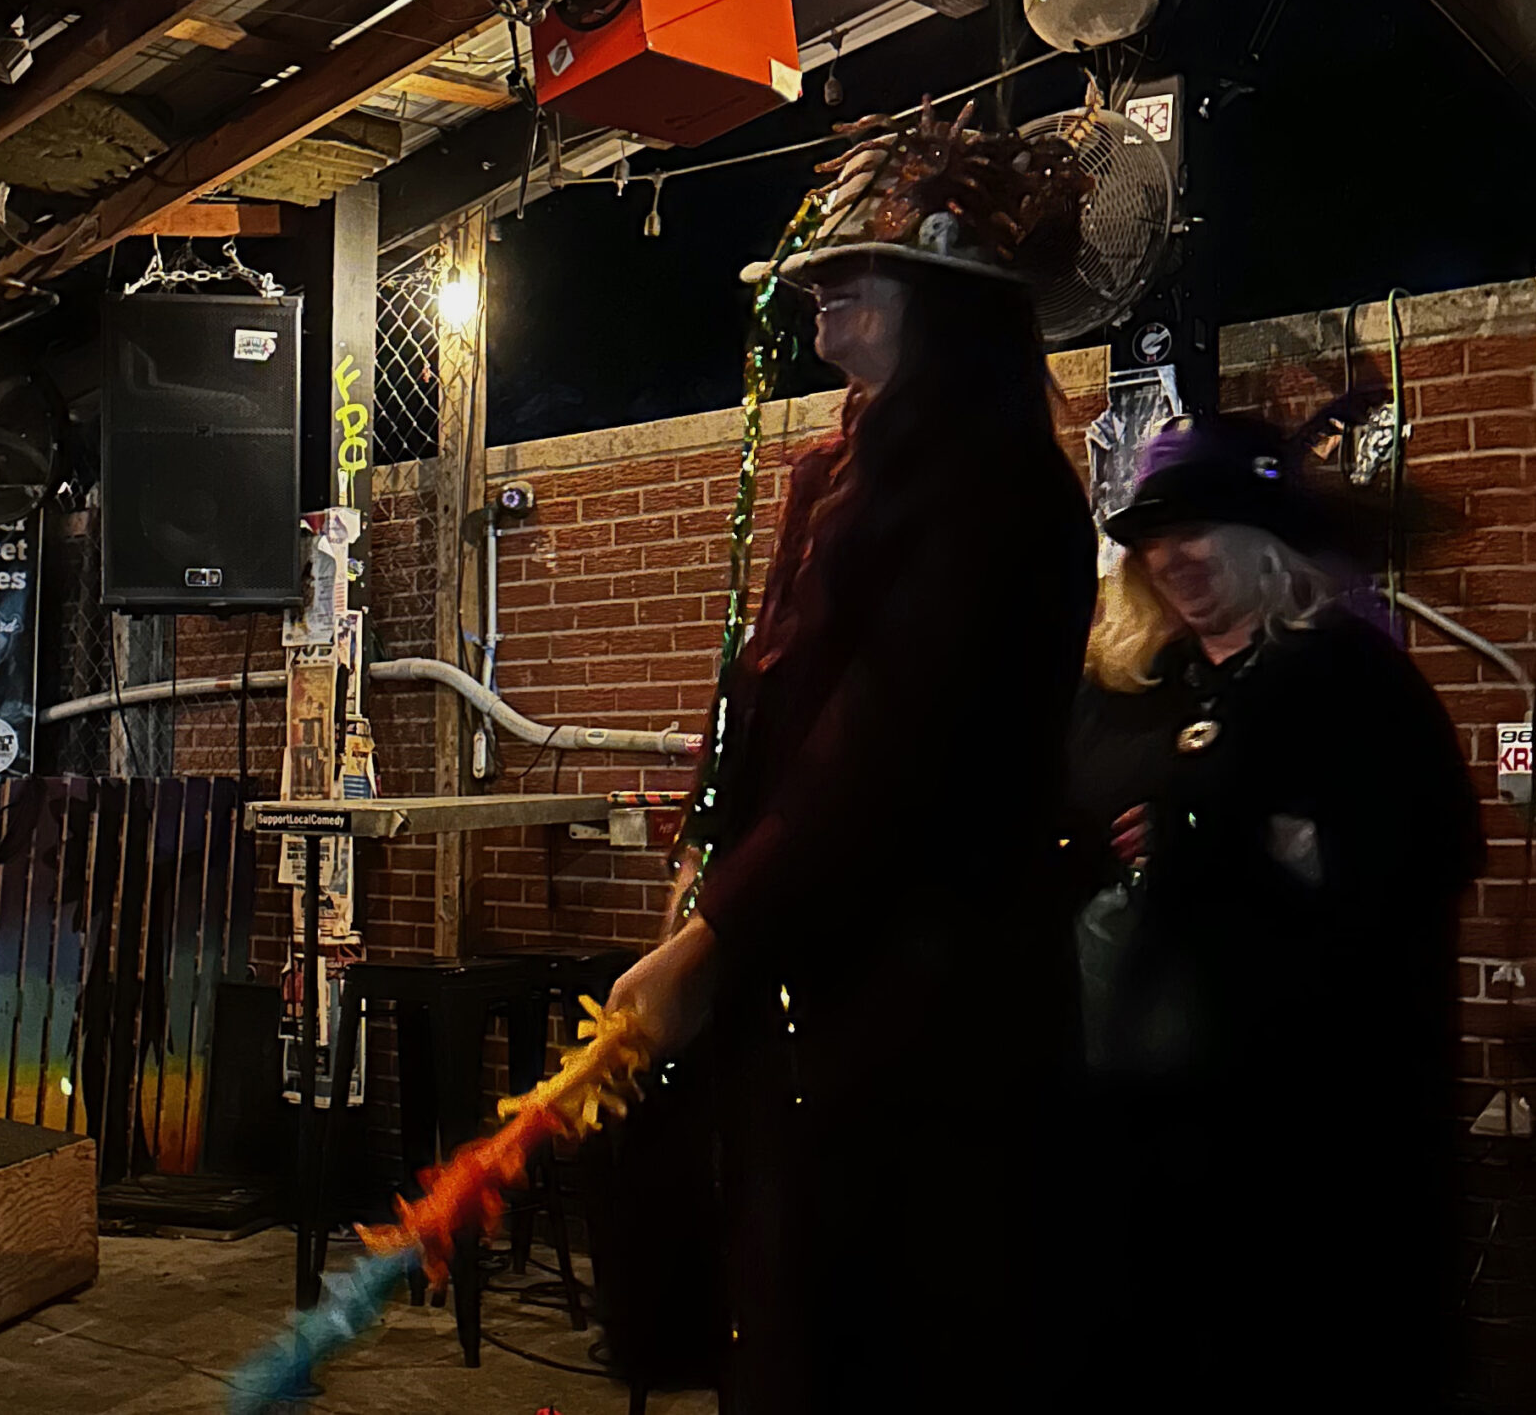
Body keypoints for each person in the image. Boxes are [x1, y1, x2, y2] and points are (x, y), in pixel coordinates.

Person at [603, 109, 1099, 1413]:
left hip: (931, 1002)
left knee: (893, 1330)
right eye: (818, 264)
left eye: (856, 267)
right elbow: (765, 699)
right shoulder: (835, 466)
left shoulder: (999, 483)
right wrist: (705, 866)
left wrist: (716, 939)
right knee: (784, 1315)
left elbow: (884, 742)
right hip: (814, 980)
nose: (819, 286)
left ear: (950, 300)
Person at [1065, 415, 1478, 1409]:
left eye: (1196, 527)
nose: (1170, 555)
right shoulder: (1144, 687)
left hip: (1313, 1149)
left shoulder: (1348, 677)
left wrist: (1231, 841)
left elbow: (1414, 865)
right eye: (1152, 535)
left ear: (1263, 539)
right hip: (1156, 1135)